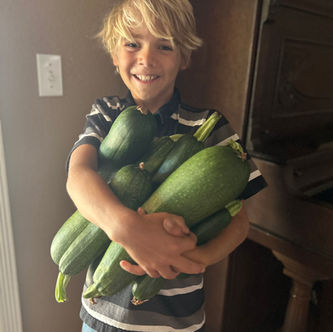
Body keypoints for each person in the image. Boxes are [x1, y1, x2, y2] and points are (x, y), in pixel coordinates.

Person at [66, 0, 267, 331]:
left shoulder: (210, 126)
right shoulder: (106, 115)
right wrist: (126, 228)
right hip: (103, 315)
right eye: (133, 44)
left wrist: (194, 257)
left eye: (164, 45)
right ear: (115, 56)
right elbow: (78, 176)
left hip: (176, 319)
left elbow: (239, 220)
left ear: (183, 58)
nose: (147, 57)